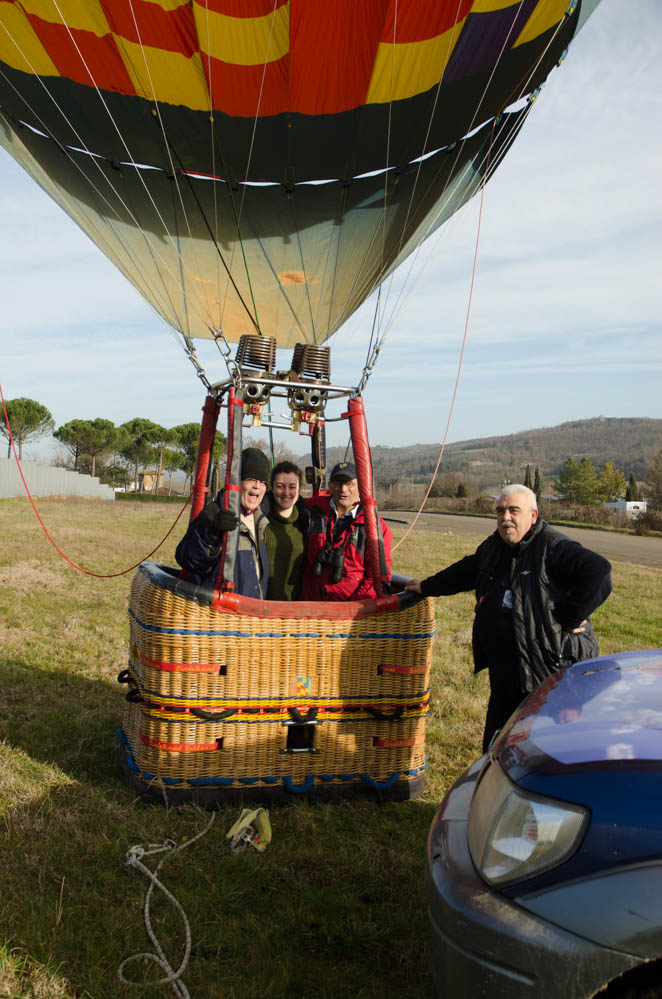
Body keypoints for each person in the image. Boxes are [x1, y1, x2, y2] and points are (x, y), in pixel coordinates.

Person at [404, 484, 612, 751]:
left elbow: (599, 572)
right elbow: (464, 572)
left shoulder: (552, 547)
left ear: (533, 515)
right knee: (497, 749)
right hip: (507, 674)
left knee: (547, 752)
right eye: (500, 511)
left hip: (549, 674)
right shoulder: (494, 548)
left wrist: (569, 617)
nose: (505, 518)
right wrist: (426, 586)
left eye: (514, 510)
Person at [175, 446, 271, 598]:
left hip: (251, 616)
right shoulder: (214, 513)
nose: (257, 486)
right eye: (251, 479)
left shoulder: (261, 519)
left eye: (262, 481)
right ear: (236, 481)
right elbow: (186, 559)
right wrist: (212, 535)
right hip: (220, 616)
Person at [300, 460, 392, 601]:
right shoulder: (313, 510)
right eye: (338, 483)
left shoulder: (374, 527)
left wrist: (350, 611)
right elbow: (286, 502)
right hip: (309, 609)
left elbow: (375, 579)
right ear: (330, 485)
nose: (343, 489)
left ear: (361, 486)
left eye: (349, 483)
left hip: (345, 612)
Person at [262, 461, 310, 600]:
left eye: (292, 487)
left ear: (299, 489)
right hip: (262, 608)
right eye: (280, 487)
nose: (286, 493)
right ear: (271, 487)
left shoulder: (307, 523)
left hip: (297, 609)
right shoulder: (259, 521)